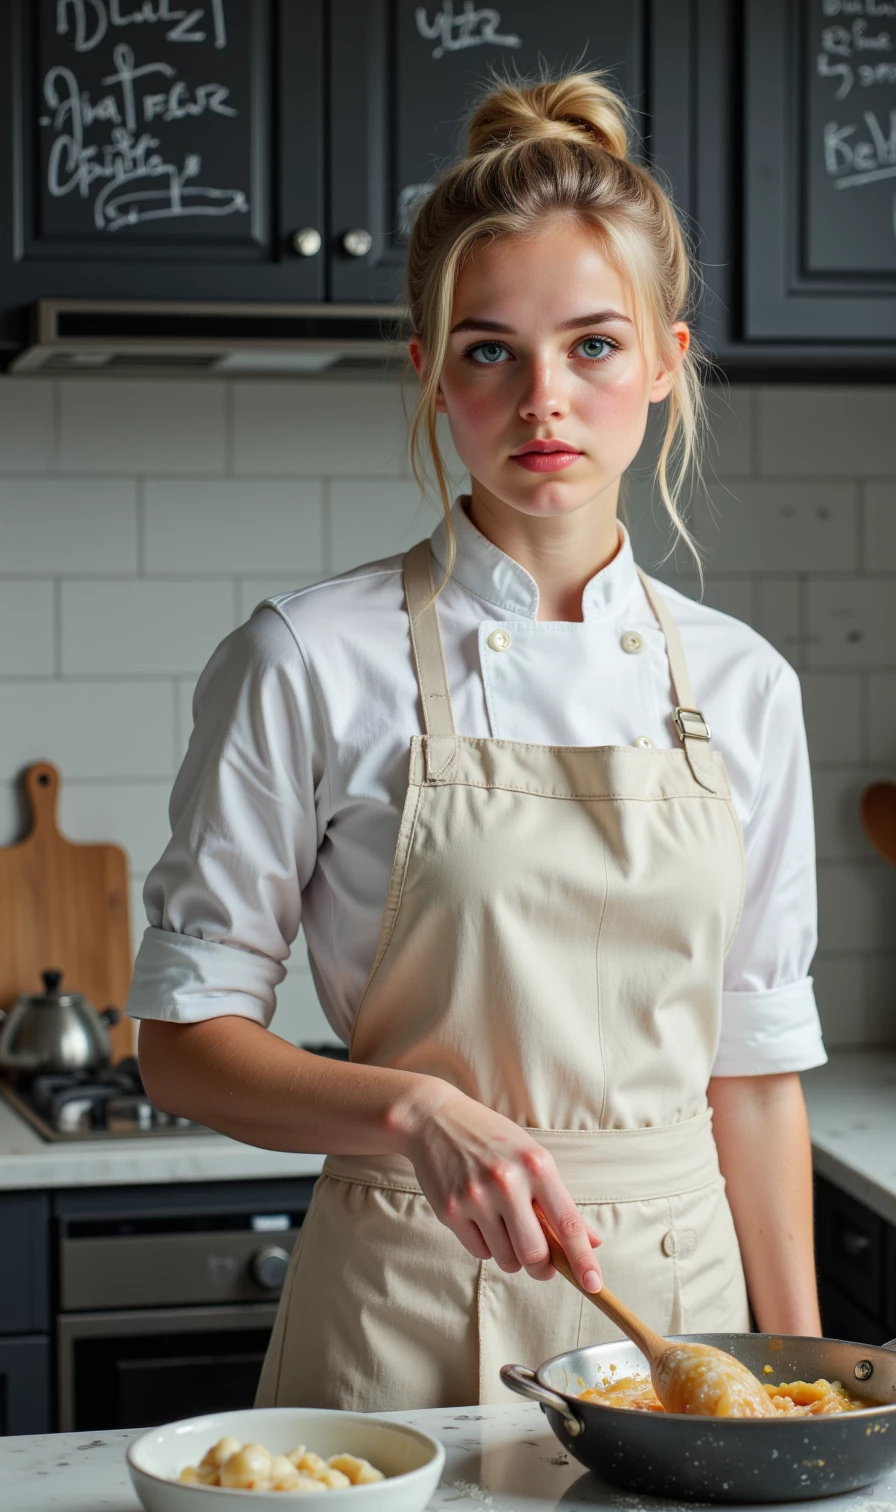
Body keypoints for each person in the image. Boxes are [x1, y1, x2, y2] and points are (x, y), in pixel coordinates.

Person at [127, 67, 828, 1412]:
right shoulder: (309, 659)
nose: (543, 399)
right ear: (432, 375)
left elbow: (753, 1071)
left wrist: (803, 1392)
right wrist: (408, 1110)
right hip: (404, 1312)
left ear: (670, 362)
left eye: (595, 344)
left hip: (682, 1314)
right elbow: (181, 1041)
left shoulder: (743, 685)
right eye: (489, 348)